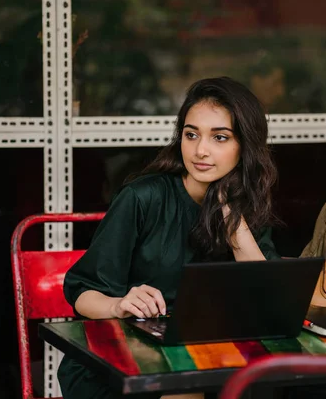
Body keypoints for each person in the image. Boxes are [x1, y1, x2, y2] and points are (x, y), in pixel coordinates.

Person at [58, 76, 281, 399]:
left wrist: (235, 226)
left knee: (252, 386)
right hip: (119, 365)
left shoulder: (248, 206)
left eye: (219, 138)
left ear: (245, 145)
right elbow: (81, 292)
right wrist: (120, 304)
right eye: (191, 135)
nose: (200, 150)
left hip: (211, 360)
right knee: (187, 385)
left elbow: (268, 306)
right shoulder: (142, 198)